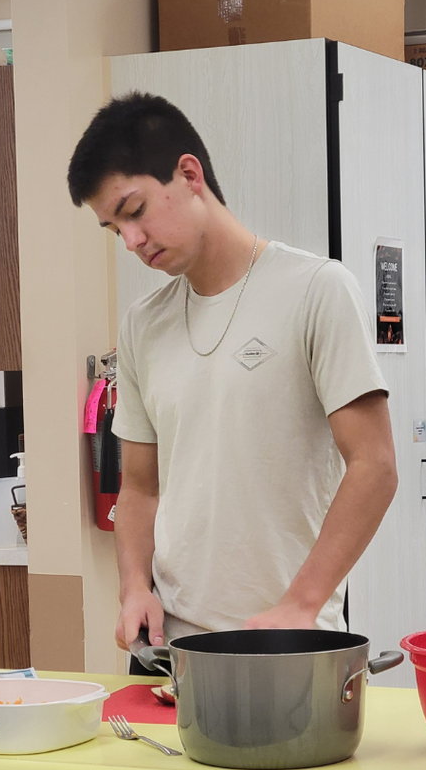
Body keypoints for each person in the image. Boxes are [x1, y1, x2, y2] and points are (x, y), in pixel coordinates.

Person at [67, 92, 397, 657]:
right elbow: (140, 487)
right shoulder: (143, 324)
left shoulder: (317, 289)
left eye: (135, 210)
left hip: (289, 640)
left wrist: (301, 603)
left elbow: (375, 465)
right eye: (112, 228)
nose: (131, 241)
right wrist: (133, 588)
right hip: (168, 648)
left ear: (188, 173)